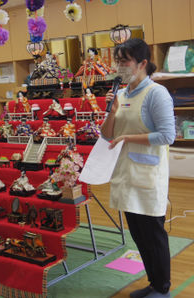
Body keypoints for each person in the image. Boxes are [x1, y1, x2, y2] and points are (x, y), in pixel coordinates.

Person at [100, 38, 175, 298]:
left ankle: (162, 288)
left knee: (154, 235)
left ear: (142, 63)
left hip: (148, 177)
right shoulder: (120, 94)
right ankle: (153, 284)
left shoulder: (156, 93)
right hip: (125, 175)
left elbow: (167, 135)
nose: (119, 66)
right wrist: (112, 112)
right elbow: (107, 136)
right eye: (117, 61)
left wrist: (128, 138)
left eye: (125, 61)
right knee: (139, 236)